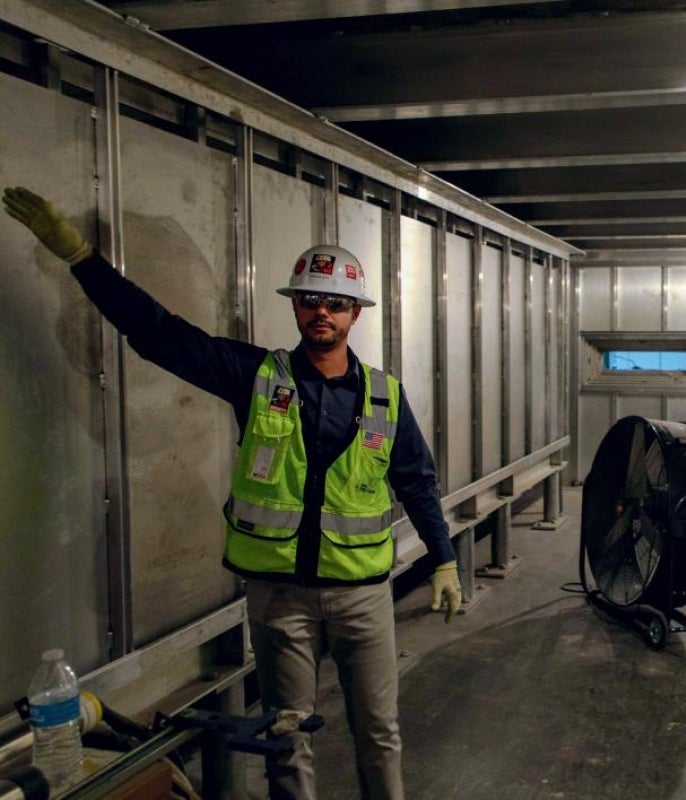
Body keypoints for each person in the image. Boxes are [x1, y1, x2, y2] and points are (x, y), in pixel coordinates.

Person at [2, 186, 462, 800]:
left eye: (335, 303)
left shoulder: (385, 397)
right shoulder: (255, 375)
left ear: (356, 313)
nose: (320, 312)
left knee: (379, 732)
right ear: (296, 308)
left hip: (362, 598)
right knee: (285, 737)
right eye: (309, 301)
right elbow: (158, 334)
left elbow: (417, 481)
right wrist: (81, 257)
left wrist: (445, 558)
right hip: (279, 601)